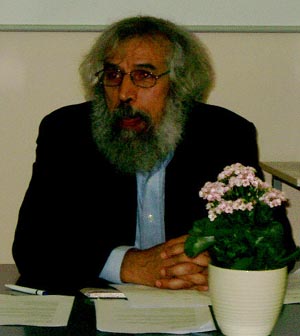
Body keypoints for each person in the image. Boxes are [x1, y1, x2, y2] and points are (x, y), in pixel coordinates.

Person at [12, 15, 296, 292]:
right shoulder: (67, 132)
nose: (124, 93)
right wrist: (128, 264)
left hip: (195, 313)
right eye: (113, 75)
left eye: (144, 76)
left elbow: (276, 244)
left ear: (179, 85)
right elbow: (32, 246)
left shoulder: (225, 134)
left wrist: (219, 265)